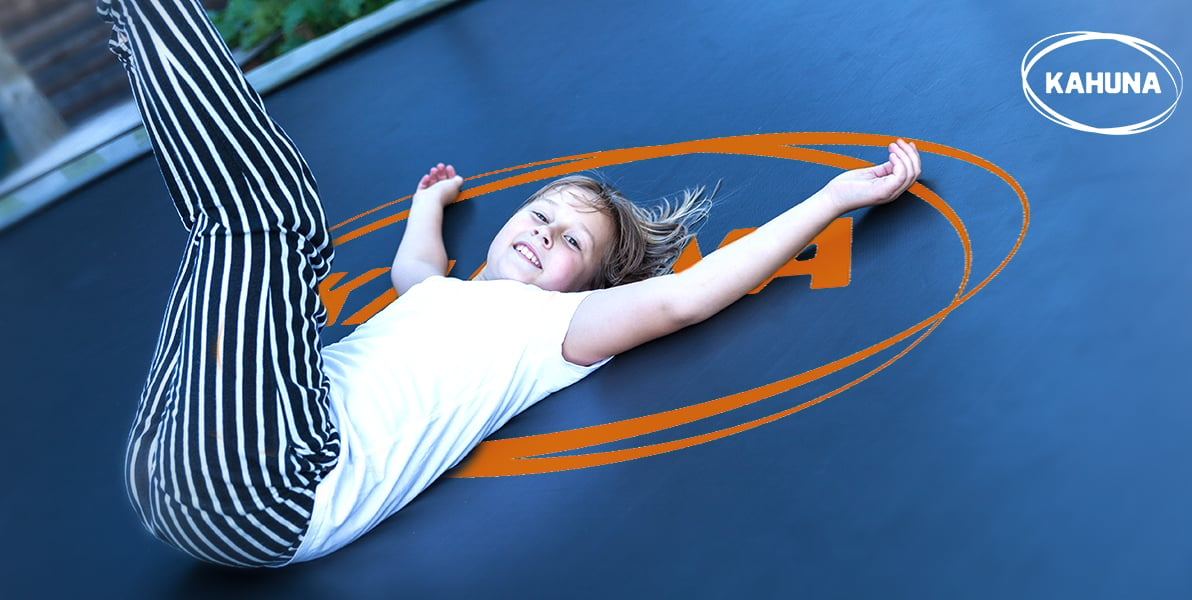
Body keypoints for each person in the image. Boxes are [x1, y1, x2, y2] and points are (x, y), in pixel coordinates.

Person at [99, 0, 921, 568]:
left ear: (584, 286)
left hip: (279, 478)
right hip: (167, 471)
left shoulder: (550, 334)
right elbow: (412, 269)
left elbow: (685, 296)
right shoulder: (440, 295)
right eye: (539, 215)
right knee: (227, 240)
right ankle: (134, 23)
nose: (542, 236)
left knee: (266, 217)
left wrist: (836, 196)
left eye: (571, 243)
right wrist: (430, 203)